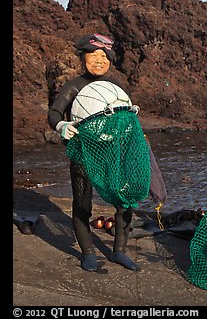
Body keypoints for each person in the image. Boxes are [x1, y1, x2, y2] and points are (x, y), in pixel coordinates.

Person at [47, 33, 139, 272]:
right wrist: (61, 125)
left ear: (110, 60)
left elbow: (124, 117)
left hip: (112, 153)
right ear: (83, 57)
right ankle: (88, 252)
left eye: (104, 56)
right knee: (82, 203)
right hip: (83, 154)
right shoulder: (74, 85)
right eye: (93, 55)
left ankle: (119, 251)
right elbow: (54, 112)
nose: (99, 61)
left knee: (123, 202)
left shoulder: (114, 88)